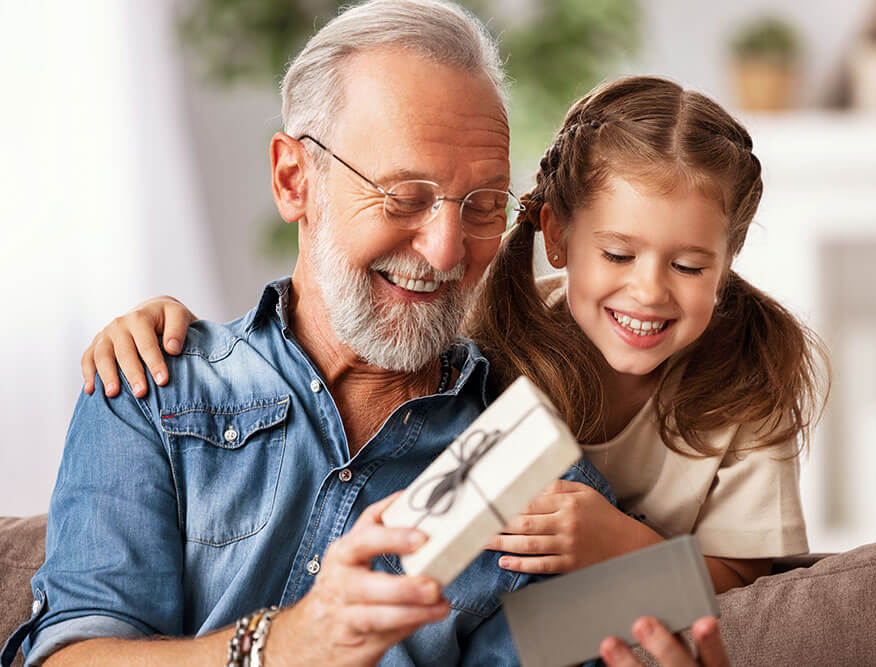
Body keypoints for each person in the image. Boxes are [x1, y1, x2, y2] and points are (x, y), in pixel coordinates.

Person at [2, 2, 623, 666]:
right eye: (403, 196)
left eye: (483, 205)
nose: (447, 252)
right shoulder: (152, 388)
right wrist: (289, 643)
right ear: (295, 180)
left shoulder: (540, 482)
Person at [85, 77, 828, 593]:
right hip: (459, 600)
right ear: (558, 237)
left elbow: (741, 580)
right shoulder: (489, 333)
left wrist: (622, 547)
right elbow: (324, 351)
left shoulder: (750, 375)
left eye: (692, 265)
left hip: (580, 612)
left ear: (728, 260)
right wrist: (162, 322)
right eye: (619, 254)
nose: (650, 291)